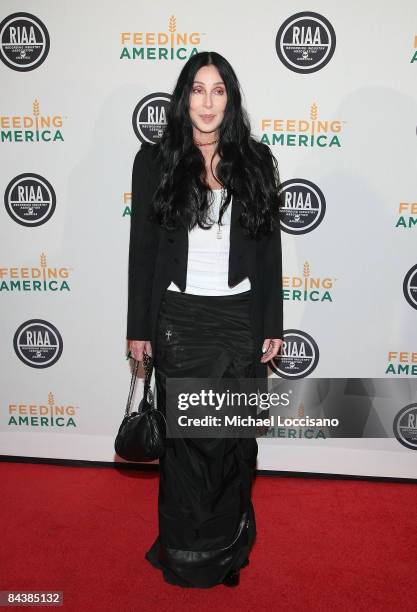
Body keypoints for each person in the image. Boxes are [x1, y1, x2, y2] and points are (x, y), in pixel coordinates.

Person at [126, 51, 283, 588]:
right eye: (198, 89)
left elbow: (268, 251)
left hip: (238, 319)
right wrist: (139, 329)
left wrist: (271, 324)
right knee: (186, 450)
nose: (208, 101)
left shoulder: (256, 160)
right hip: (180, 320)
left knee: (232, 444)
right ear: (184, 97)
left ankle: (227, 552)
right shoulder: (155, 161)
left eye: (219, 90)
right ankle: (184, 553)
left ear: (231, 99)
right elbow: (142, 251)